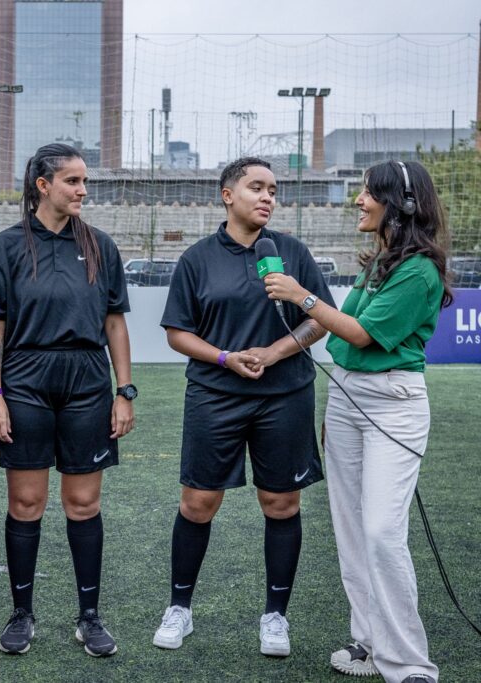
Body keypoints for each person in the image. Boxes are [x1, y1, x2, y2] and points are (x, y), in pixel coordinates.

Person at [264, 160, 450, 683]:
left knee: (380, 532)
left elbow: (361, 334)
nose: (358, 201)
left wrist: (301, 296)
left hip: (393, 402)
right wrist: (337, 412)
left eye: (368, 193)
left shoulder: (419, 269)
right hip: (348, 403)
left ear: (402, 204)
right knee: (350, 529)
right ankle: (369, 644)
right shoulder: (384, 260)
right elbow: (349, 343)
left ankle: (411, 663)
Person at [154, 156, 334, 658]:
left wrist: (274, 353)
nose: (267, 198)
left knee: (281, 504)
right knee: (198, 503)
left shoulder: (292, 253)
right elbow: (177, 332)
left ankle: (276, 617)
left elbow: (321, 318)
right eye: (257, 187)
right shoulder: (196, 258)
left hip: (286, 397)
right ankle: (179, 608)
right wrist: (226, 358)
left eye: (273, 190)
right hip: (215, 395)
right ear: (227, 194)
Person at [0, 142, 135, 658]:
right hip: (25, 381)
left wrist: (124, 391)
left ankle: (89, 617)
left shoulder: (101, 246)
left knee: (83, 504)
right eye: (73, 181)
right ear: (43, 186)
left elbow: (115, 323)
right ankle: (22, 614)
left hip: (87, 381)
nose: (83, 190)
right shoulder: (6, 246)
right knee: (26, 503)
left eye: (85, 181)